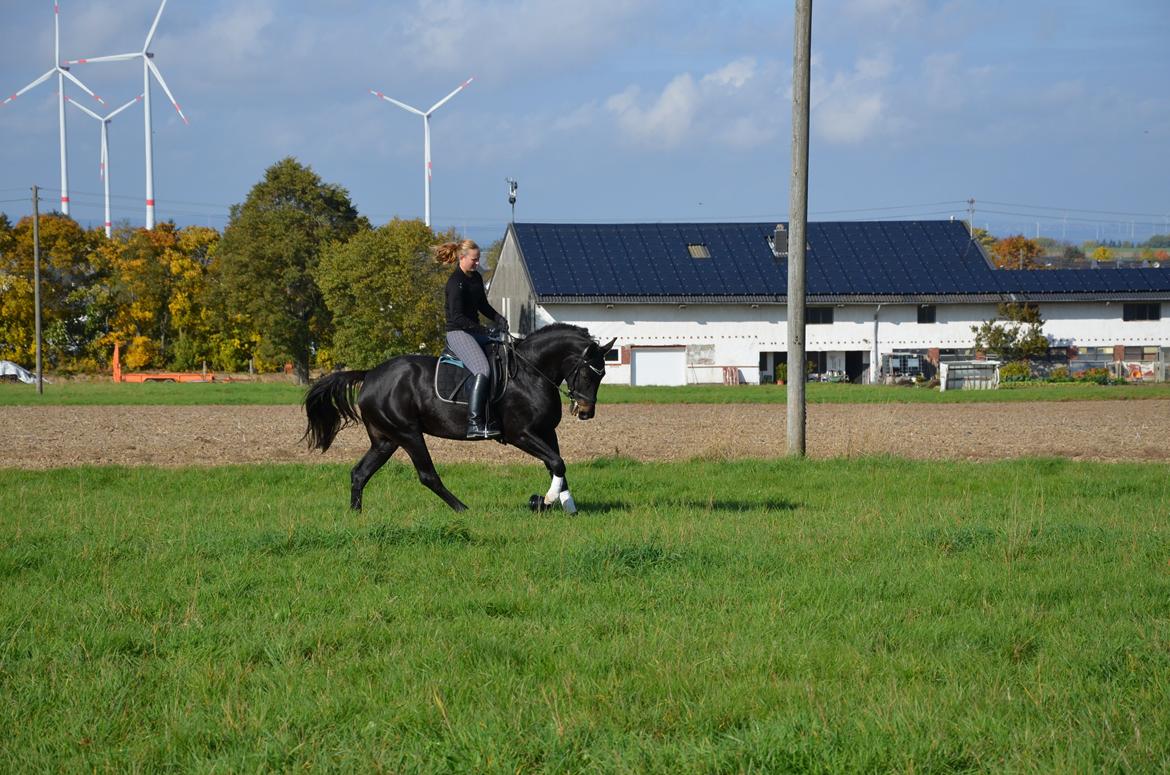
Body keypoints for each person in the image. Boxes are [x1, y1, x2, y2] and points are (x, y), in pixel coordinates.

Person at [434, 239, 509, 439]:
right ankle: (475, 423)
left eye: (478, 259)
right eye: (474, 260)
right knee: (482, 369)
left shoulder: (475, 278)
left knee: (505, 355)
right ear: (462, 257)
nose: (477, 263)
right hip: (458, 333)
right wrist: (484, 330)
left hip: (475, 331)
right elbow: (457, 318)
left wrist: (499, 319)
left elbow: (483, 306)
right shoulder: (455, 283)